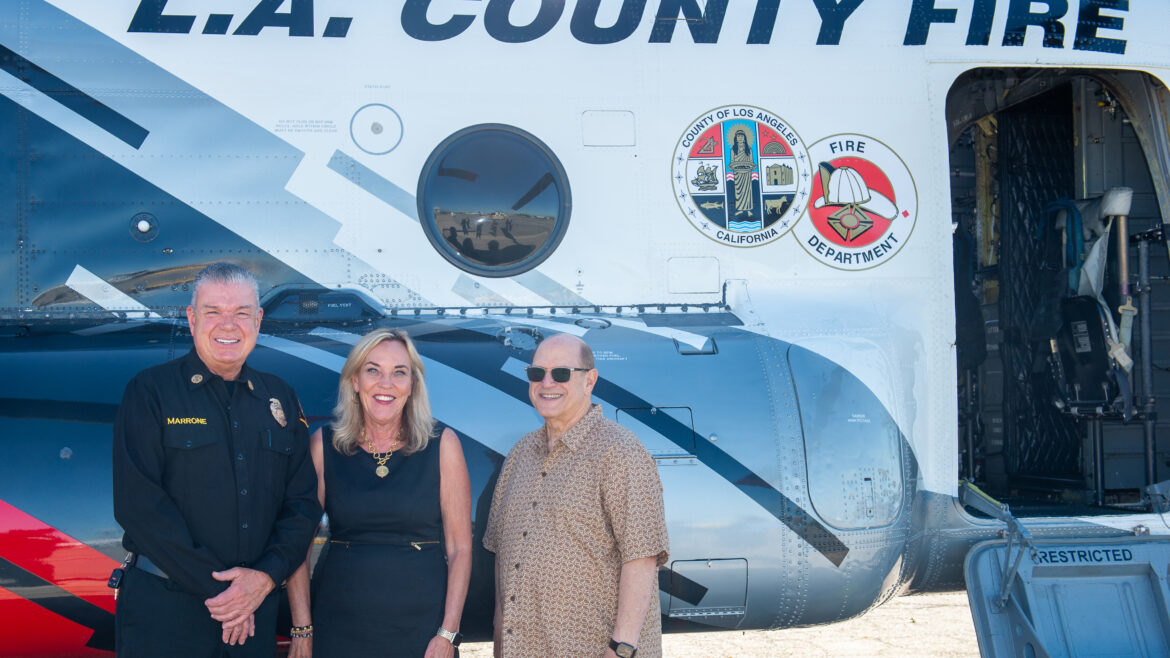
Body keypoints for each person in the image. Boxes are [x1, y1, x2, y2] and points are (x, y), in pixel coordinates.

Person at [112, 262, 321, 657]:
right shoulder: (150, 392)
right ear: (192, 319)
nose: (229, 325)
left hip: (252, 615)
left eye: (241, 313)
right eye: (214, 313)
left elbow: (302, 506)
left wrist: (263, 579)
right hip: (166, 615)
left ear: (258, 320)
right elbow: (138, 506)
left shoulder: (279, 398)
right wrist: (227, 594)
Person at [286, 328, 472, 657]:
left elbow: (460, 548)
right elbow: (296, 545)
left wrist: (448, 633)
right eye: (373, 370)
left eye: (399, 373)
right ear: (355, 381)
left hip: (423, 632)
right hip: (339, 628)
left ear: (412, 384)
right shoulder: (323, 445)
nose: (386, 384)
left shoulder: (443, 444)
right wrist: (302, 628)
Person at [484, 333, 669, 658]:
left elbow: (642, 558)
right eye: (537, 373)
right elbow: (503, 556)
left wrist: (621, 649)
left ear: (590, 380)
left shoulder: (620, 452)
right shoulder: (519, 456)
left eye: (561, 373)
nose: (547, 383)